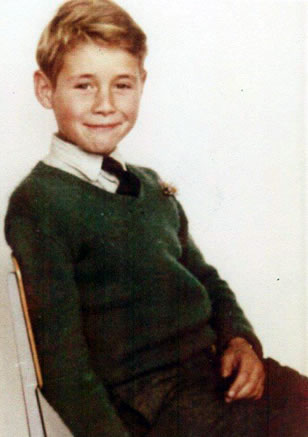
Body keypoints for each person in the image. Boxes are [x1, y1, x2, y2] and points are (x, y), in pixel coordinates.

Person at [4, 0, 308, 436]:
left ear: (142, 84)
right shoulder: (40, 203)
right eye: (84, 86)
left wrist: (240, 340)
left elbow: (204, 277)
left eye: (122, 85)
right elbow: (64, 369)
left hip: (215, 376)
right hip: (156, 405)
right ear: (45, 89)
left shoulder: (149, 184)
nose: (105, 104)